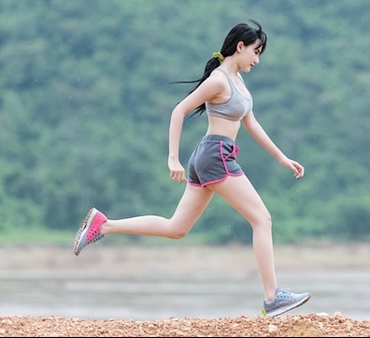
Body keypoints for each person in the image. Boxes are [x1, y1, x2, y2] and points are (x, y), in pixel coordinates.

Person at [73, 20, 311, 318]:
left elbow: (251, 123)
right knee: (262, 219)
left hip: (210, 157)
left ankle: (104, 225)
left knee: (176, 229)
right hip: (216, 156)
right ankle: (273, 297)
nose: (257, 59)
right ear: (240, 47)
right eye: (255, 51)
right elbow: (179, 110)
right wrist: (172, 158)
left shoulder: (238, 81)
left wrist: (281, 157)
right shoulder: (219, 80)